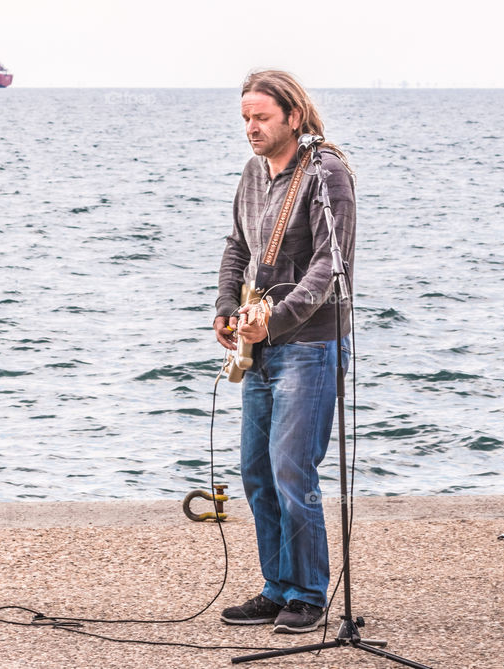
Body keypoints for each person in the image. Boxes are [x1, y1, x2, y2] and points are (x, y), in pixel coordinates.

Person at [213, 70, 355, 634]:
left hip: (311, 344)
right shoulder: (252, 173)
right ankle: (276, 588)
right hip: (261, 346)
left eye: (262, 117)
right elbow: (237, 247)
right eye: (246, 117)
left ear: (294, 116)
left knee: (293, 471)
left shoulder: (327, 174)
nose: (251, 127)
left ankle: (309, 594)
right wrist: (227, 308)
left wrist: (278, 318)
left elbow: (329, 263)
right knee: (256, 472)